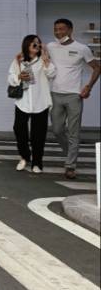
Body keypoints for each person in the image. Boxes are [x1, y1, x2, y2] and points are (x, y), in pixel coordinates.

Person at [47, 18, 100, 180]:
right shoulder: (50, 46)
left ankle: (70, 165)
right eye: (56, 29)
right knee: (57, 130)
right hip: (55, 94)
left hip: (74, 96)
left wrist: (88, 87)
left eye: (61, 29)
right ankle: (70, 153)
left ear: (70, 30)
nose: (58, 32)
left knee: (73, 131)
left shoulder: (81, 48)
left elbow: (97, 67)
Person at [8, 35, 55, 173]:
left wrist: (46, 59)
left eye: (38, 43)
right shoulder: (19, 60)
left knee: (38, 135)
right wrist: (18, 76)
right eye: (34, 43)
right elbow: (10, 77)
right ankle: (24, 157)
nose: (37, 46)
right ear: (27, 45)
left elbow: (52, 74)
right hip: (22, 102)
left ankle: (37, 163)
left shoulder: (43, 60)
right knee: (19, 129)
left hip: (40, 102)